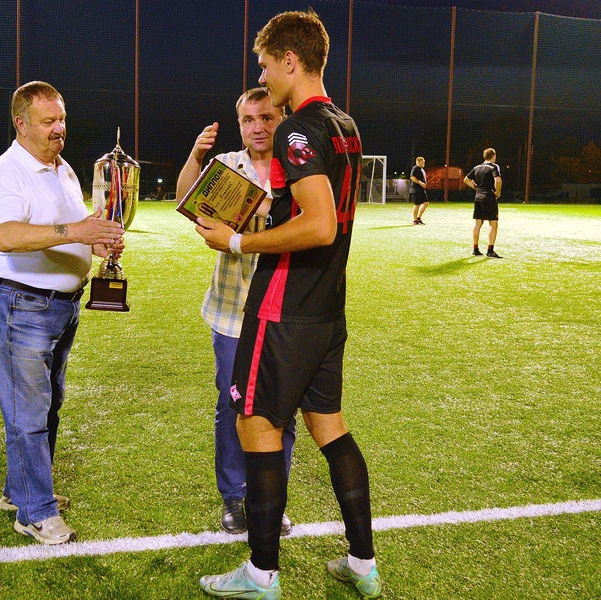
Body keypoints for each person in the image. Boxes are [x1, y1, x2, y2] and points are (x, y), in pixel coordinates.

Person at [195, 10, 381, 599]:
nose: (264, 74)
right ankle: (362, 562)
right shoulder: (344, 123)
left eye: (266, 64)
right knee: (329, 427)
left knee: (255, 422)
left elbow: (319, 224)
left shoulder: (297, 130)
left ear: (291, 62)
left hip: (282, 306)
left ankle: (260, 574)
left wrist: (237, 240)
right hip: (327, 310)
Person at [0, 81, 124, 545]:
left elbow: (70, 230)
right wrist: (76, 229)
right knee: (28, 412)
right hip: (22, 303)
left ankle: (20, 491)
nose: (59, 129)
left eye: (61, 119)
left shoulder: (61, 169)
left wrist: (94, 240)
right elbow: (5, 235)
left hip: (60, 306)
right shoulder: (7, 172)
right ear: (20, 124)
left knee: (45, 406)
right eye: (48, 121)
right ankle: (35, 512)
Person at [175, 87, 296, 537]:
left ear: (280, 118)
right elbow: (188, 201)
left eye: (266, 117)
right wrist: (195, 153)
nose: (257, 127)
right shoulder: (227, 166)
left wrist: (263, 208)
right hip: (231, 313)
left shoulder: (298, 169)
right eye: (248, 120)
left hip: (284, 312)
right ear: (239, 124)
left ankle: (271, 498)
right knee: (233, 408)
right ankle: (233, 495)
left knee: (278, 411)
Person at [464, 148, 503, 258]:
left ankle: (475, 249)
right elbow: (498, 180)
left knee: (478, 224)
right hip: (489, 198)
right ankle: (490, 250)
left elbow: (466, 180)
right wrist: (498, 192)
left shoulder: (477, 167)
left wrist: (476, 188)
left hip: (478, 198)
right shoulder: (494, 167)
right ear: (493, 156)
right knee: (493, 223)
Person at [410, 156, 429, 224]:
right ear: (418, 162)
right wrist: (420, 183)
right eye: (422, 162)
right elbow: (412, 177)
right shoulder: (415, 168)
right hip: (416, 189)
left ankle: (418, 218)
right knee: (417, 205)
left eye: (424, 162)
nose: (423, 163)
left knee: (426, 203)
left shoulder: (421, 169)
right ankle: (415, 220)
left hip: (421, 189)